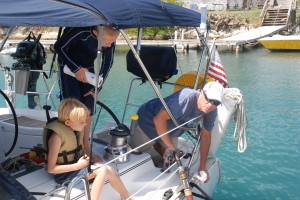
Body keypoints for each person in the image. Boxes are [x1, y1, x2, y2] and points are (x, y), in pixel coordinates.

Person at [130, 81, 224, 182]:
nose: (210, 105)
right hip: (147, 122)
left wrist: (202, 166)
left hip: (169, 131)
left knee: (172, 160)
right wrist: (170, 146)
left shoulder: (211, 110)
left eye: (216, 102)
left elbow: (206, 135)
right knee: (136, 153)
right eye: (208, 99)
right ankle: (155, 144)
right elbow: (158, 119)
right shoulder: (186, 98)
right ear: (201, 92)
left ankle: (159, 145)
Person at [43, 98, 132, 200]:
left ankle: (127, 197)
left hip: (77, 169)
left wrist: (92, 156)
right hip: (64, 176)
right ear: (68, 122)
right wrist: (77, 166)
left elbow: (80, 148)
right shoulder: (57, 138)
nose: (85, 124)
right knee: (102, 170)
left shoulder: (75, 130)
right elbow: (51, 168)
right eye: (81, 122)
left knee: (109, 169)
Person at [54, 26, 120, 162]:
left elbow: (108, 62)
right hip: (68, 68)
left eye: (112, 42)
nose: (110, 45)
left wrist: (97, 88)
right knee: (73, 110)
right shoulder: (80, 31)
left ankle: (85, 146)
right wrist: (76, 69)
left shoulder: (109, 36)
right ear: (96, 33)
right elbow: (58, 47)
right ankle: (72, 147)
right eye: (107, 42)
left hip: (87, 70)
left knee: (89, 108)